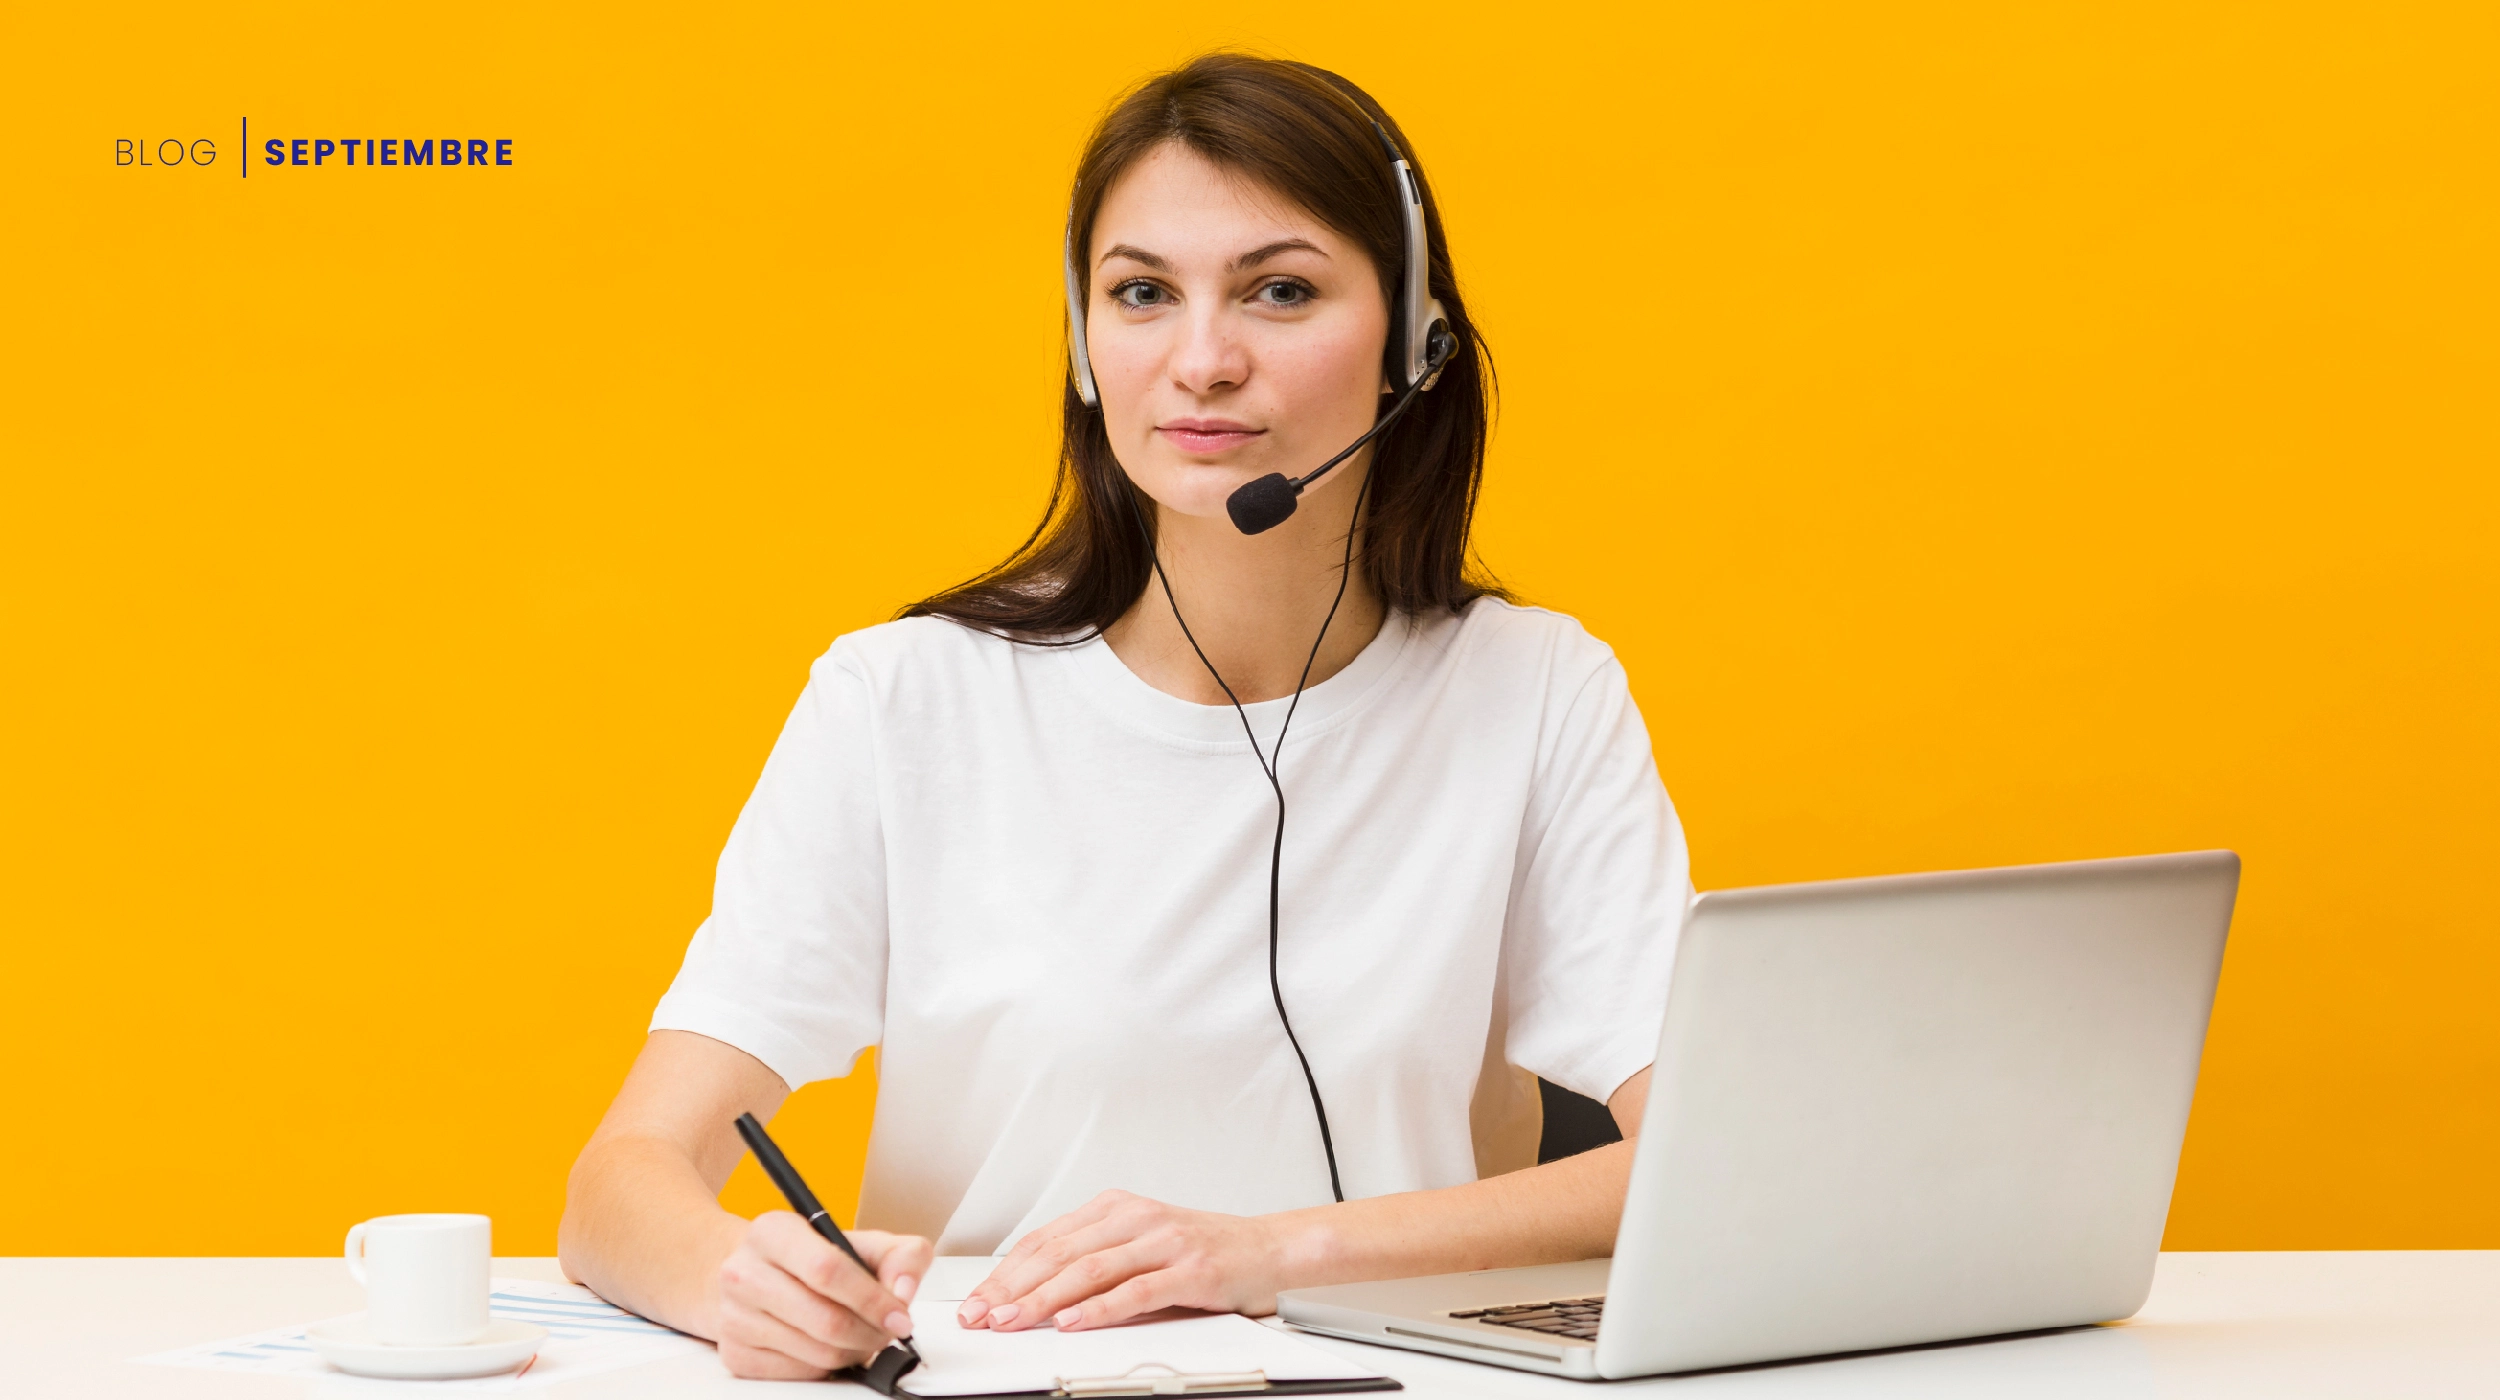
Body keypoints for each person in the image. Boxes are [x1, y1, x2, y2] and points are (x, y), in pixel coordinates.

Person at [557, 52, 1690, 1381]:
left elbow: (1700, 1154)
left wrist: (1272, 1253)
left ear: (1414, 341)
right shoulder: (905, 700)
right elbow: (617, 1185)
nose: (1202, 362)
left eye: (1281, 290)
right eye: (1142, 293)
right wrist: (745, 1285)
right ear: (1085, 344)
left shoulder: (1537, 689)